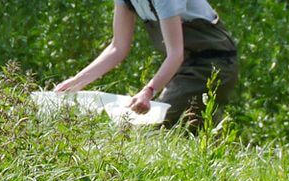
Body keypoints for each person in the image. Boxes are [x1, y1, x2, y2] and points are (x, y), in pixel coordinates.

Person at [55, 0, 239, 132]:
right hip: (184, 68)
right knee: (192, 131)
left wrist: (148, 91)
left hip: (213, 65)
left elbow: (175, 54)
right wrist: (76, 82)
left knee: (154, 127)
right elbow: (118, 48)